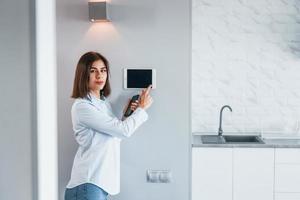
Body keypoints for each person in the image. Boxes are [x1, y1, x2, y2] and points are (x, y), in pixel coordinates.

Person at [65, 51, 153, 200]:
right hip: (88, 184)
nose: (99, 75)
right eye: (93, 71)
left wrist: (125, 115)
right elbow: (123, 131)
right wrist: (141, 109)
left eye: (103, 70)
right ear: (83, 75)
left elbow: (114, 136)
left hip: (98, 185)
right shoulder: (82, 107)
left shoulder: (103, 103)